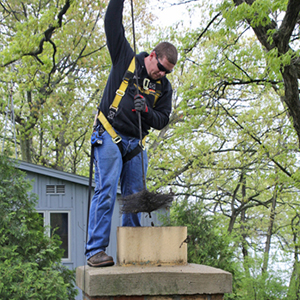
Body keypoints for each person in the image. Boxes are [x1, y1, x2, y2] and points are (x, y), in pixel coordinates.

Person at [85, 0, 178, 267]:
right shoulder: (125, 57)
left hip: (136, 143)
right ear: (152, 55)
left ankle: (132, 251)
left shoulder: (164, 87)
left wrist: (147, 110)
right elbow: (112, 23)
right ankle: (95, 251)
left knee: (136, 197)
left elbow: (162, 120)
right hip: (110, 134)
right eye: (160, 67)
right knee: (105, 190)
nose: (161, 74)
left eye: (167, 72)